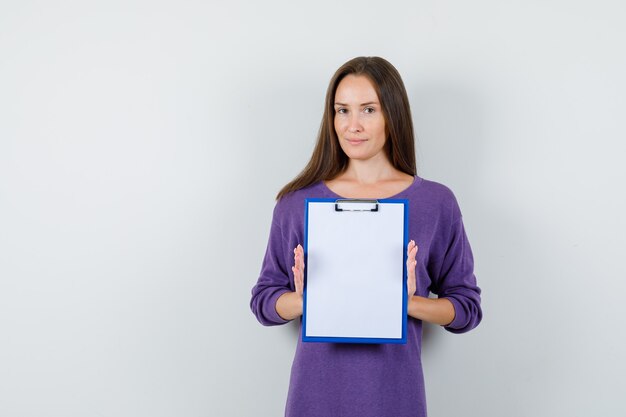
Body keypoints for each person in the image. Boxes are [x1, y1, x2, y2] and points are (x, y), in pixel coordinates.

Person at [250, 56, 482, 417]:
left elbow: (466, 308)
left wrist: (404, 304)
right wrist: (306, 301)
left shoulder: (435, 202)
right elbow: (264, 301)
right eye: (342, 110)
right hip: (315, 399)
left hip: (395, 398)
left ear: (393, 114)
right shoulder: (296, 203)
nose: (352, 125)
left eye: (368, 110)